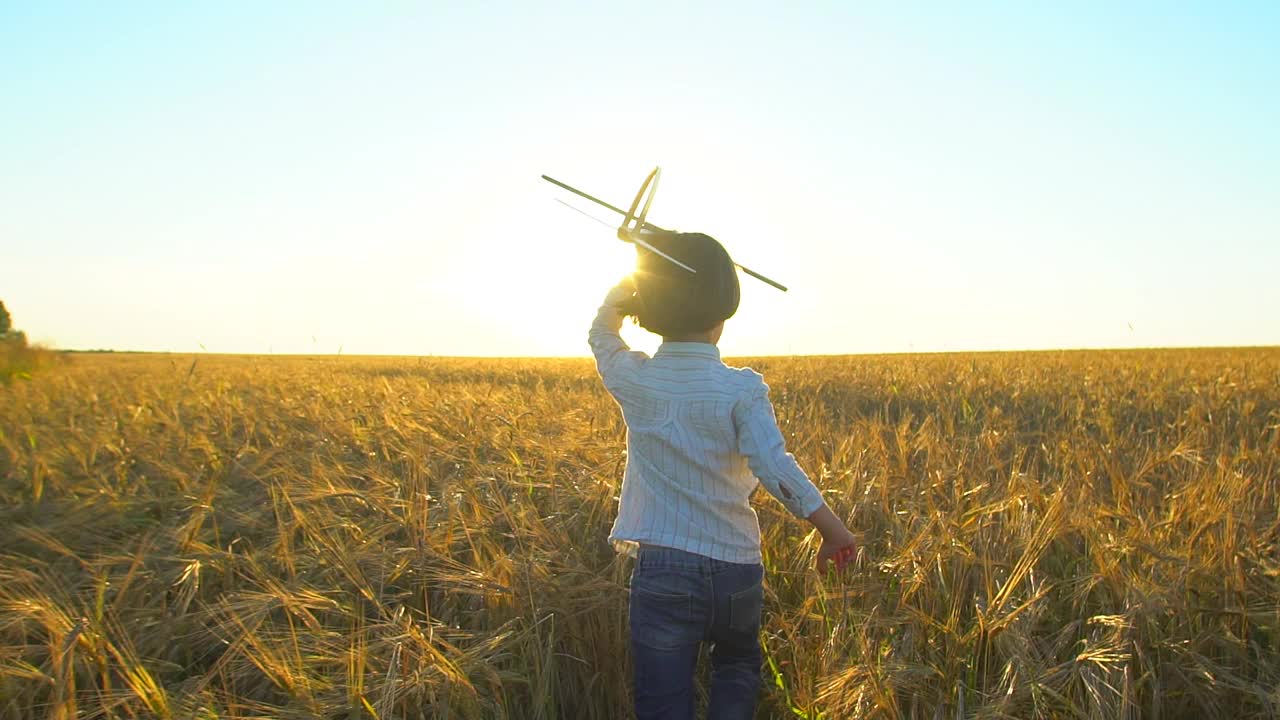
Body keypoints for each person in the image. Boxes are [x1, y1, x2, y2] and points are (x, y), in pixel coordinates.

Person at [588, 232, 857, 720]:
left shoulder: (636, 379)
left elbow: (602, 337)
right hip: (736, 566)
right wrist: (830, 528)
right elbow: (775, 467)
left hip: (663, 570)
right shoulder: (741, 389)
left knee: (661, 698)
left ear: (652, 312)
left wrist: (625, 289)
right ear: (722, 316)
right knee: (736, 665)